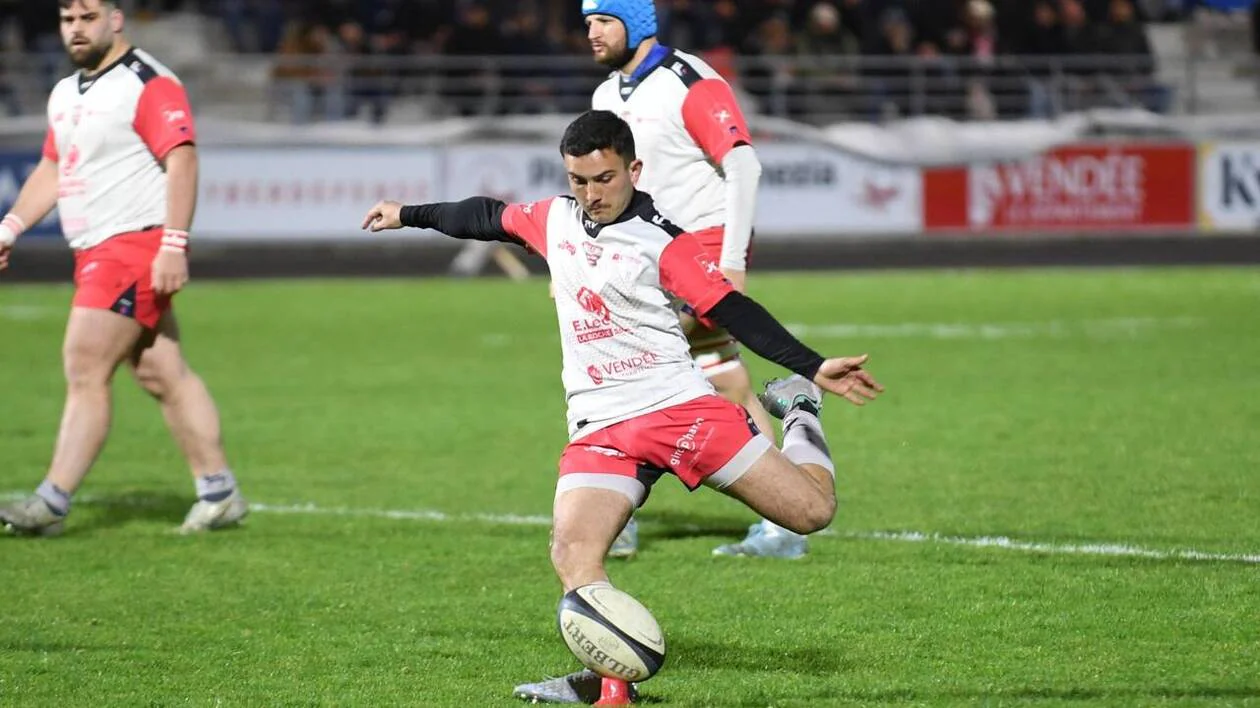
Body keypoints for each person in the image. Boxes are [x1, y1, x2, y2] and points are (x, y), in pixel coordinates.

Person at [360, 110, 883, 705]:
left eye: (604, 179)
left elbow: (732, 310)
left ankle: (801, 410)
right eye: (578, 180)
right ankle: (610, 685)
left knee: (811, 512)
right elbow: (484, 216)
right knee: (573, 552)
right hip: (600, 426)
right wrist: (408, 213)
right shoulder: (554, 218)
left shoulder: (664, 241)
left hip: (678, 409)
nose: (591, 194)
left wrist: (811, 366)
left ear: (633, 170)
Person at [0, 0, 246, 537]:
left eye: (88, 17)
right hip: (97, 249)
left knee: (85, 367)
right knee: (162, 373)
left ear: (115, 20)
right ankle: (219, 492)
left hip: (132, 246)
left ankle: (50, 502)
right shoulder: (65, 92)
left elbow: (182, 157)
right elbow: (53, 165)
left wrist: (174, 244)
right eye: (67, 19)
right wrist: (11, 226)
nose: (76, 29)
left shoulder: (147, 81)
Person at [582, 0, 807, 559]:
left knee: (624, 375)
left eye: (604, 20)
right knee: (720, 380)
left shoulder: (688, 79)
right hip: (648, 255)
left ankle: (613, 517)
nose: (592, 33)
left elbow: (744, 164)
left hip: (699, 252)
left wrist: (732, 262)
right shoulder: (606, 96)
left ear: (636, 21)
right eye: (587, 23)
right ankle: (784, 522)